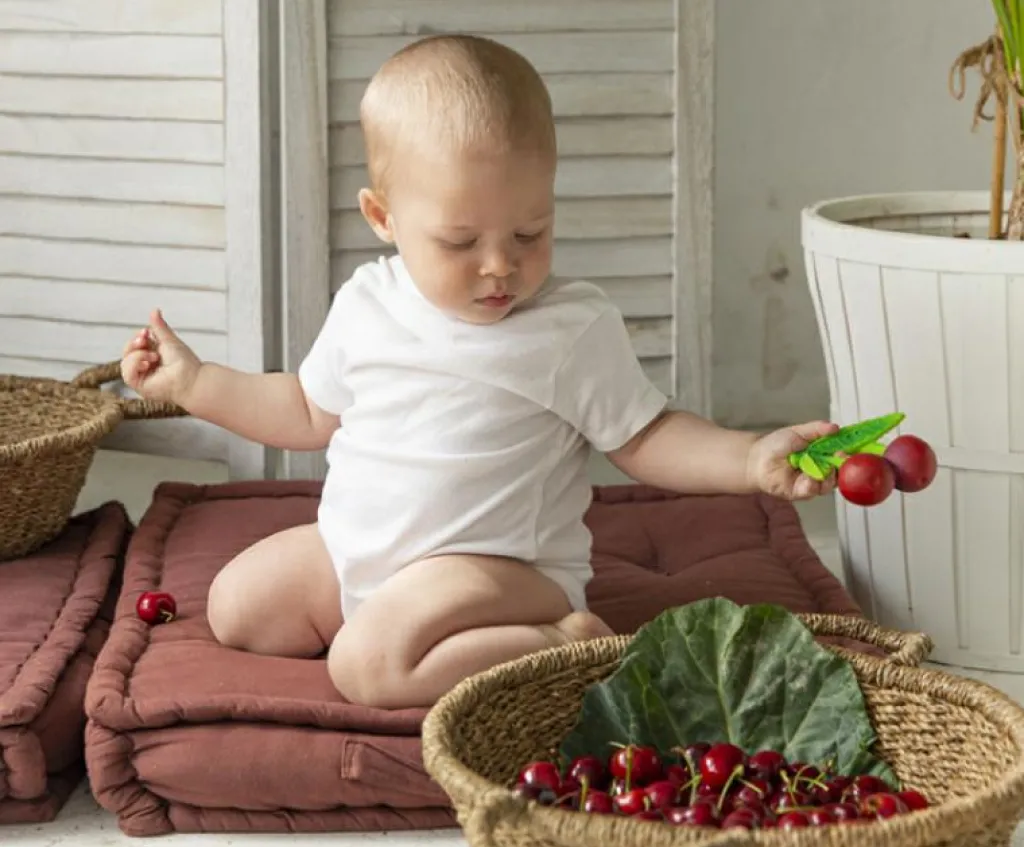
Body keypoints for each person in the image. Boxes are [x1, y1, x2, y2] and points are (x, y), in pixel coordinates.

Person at [121, 34, 835, 710]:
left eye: (530, 233)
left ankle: (561, 642)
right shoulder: (367, 303)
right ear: (383, 217)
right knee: (238, 606)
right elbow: (306, 410)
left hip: (500, 573)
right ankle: (399, 630)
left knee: (364, 666)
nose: (500, 266)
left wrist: (748, 458)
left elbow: (647, 435)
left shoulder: (569, 328)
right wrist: (194, 384)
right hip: (360, 555)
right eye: (460, 241)